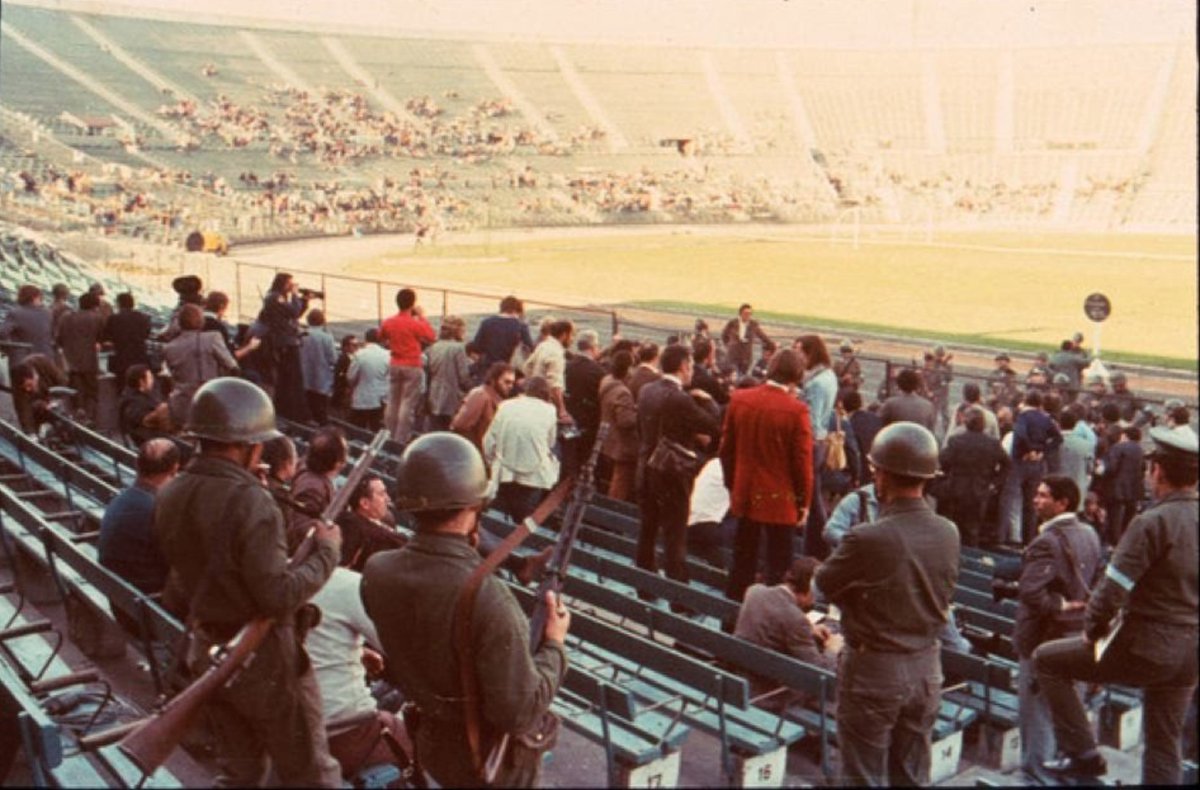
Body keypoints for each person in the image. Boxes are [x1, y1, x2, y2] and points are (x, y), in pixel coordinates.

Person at [154, 378, 343, 787]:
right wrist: (327, 551)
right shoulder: (251, 501)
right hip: (265, 661)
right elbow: (278, 596)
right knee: (311, 773)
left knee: (239, 773)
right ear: (249, 445)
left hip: (208, 649)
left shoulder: (171, 492)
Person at [360, 432, 570, 788]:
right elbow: (519, 713)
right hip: (487, 764)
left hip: (431, 745)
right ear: (474, 509)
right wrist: (554, 644)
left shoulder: (378, 570)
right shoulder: (488, 598)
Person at [1034, 426, 1198, 785]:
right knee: (1164, 743)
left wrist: (1092, 634)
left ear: (1158, 471)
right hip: (1190, 654)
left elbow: (1111, 592)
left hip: (1147, 647)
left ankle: (1083, 753)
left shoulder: (1153, 521)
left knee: (1047, 661)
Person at [815, 422, 959, 786]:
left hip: (875, 667)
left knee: (863, 775)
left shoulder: (868, 536)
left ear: (881, 475)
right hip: (927, 666)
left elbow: (824, 584)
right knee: (911, 776)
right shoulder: (948, 531)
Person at [1014, 475, 1104, 785]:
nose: (1035, 500)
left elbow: (1030, 592)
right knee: (1067, 718)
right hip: (1076, 640)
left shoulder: (1046, 541)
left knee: (1037, 722)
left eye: (1043, 495)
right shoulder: (1090, 533)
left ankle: (1038, 778)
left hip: (1044, 640)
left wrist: (1059, 605)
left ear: (1062, 502)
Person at [720, 349, 813, 603]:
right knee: (777, 568)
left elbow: (725, 451)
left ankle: (731, 621)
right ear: (796, 375)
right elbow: (802, 463)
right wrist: (804, 502)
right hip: (779, 501)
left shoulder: (740, 399)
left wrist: (733, 486)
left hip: (746, 494)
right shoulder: (796, 411)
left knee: (742, 563)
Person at [306, 564, 410, 782]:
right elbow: (401, 649)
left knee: (388, 701)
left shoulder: (269, 578)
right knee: (423, 742)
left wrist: (359, 650)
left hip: (279, 726)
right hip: (339, 729)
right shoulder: (347, 583)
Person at [636, 344, 720, 594]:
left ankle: (644, 585)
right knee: (674, 534)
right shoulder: (680, 398)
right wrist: (709, 401)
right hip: (671, 473)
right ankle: (678, 595)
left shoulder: (646, 390)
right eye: (691, 366)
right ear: (684, 366)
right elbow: (712, 425)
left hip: (646, 467)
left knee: (648, 528)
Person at [734, 557, 842, 709]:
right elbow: (819, 674)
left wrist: (809, 627)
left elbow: (776, 617)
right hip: (772, 694)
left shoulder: (754, 591)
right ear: (810, 590)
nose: (814, 602)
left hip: (744, 681)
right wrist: (832, 649)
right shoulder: (796, 619)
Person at [97, 438, 180, 634]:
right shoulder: (158, 510)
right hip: (149, 615)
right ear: (175, 470)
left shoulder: (121, 499)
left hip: (124, 606)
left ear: (138, 465)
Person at [483, 376, 559, 524]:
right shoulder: (550, 411)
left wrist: (492, 463)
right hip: (533, 475)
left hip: (504, 472)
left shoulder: (506, 405)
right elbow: (550, 443)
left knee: (494, 515)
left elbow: (489, 440)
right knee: (523, 519)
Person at [938, 407, 1009, 547]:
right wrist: (995, 483)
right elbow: (1007, 465)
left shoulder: (956, 441)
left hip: (957, 490)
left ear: (966, 422)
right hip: (980, 490)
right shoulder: (992, 443)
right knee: (973, 529)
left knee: (954, 527)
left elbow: (944, 460)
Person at [162, 304, 238, 429]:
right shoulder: (213, 338)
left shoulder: (169, 348)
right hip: (208, 403)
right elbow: (232, 366)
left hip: (181, 406)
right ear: (201, 321)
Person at [795, 334, 838, 558]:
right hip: (819, 443)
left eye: (800, 352)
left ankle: (819, 548)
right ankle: (818, 547)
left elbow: (809, 421)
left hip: (812, 444)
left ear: (810, 352)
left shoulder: (816, 382)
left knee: (811, 501)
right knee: (813, 498)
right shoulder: (827, 376)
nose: (798, 357)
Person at [1003, 389, 1063, 545]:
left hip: (1020, 461)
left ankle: (1009, 538)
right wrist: (1041, 451)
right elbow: (1058, 438)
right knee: (1032, 502)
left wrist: (1030, 449)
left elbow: (1021, 434)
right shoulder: (1045, 418)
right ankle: (1028, 538)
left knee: (1012, 500)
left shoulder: (1023, 416)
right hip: (1037, 463)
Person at [379, 288, 435, 445]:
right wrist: (422, 317)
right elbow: (431, 336)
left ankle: (389, 434)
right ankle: (400, 439)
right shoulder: (414, 323)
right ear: (412, 304)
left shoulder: (389, 322)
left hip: (395, 363)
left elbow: (381, 336)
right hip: (411, 364)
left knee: (393, 401)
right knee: (407, 403)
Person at [257, 272, 312, 419]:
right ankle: (291, 411)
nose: (291, 286)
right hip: (284, 342)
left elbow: (295, 313)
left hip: (286, 340)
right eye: (289, 284)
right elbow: (293, 312)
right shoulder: (275, 297)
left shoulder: (277, 297)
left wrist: (304, 301)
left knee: (292, 378)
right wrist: (295, 295)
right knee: (291, 378)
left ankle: (291, 409)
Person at [287, 427, 349, 551]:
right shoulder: (312, 488)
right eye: (345, 452)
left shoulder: (313, 470)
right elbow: (301, 527)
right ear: (338, 463)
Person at [336, 474, 405, 572]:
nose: (388, 499)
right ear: (365, 503)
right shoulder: (352, 527)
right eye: (382, 494)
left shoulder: (388, 521)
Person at [57, 290, 106, 423]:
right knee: (91, 391)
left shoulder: (66, 317)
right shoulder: (97, 318)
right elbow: (101, 338)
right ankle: (90, 419)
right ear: (95, 305)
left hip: (71, 361)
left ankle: (77, 415)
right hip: (89, 361)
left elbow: (58, 339)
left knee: (74, 390)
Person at [598, 351, 639, 502]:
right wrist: (638, 411)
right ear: (627, 369)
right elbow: (626, 421)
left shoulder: (607, 380)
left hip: (609, 440)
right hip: (622, 445)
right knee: (620, 483)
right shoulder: (623, 393)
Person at [1096, 425, 1144, 546]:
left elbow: (1111, 467)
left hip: (1116, 489)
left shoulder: (1118, 447)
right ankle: (1125, 543)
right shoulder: (1140, 450)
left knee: (1114, 519)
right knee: (1127, 520)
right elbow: (1143, 469)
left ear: (1125, 435)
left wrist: (1100, 470)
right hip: (1133, 490)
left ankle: (1113, 544)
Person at [452, 362, 515, 451]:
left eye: (512, 383)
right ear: (493, 380)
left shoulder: (499, 400)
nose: (510, 386)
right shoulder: (481, 395)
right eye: (507, 382)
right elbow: (460, 425)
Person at [425, 315, 472, 431]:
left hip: (434, 396)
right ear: (458, 331)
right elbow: (463, 377)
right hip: (452, 399)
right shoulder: (458, 348)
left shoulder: (432, 347)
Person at [523, 319, 574, 424]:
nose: (572, 340)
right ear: (564, 335)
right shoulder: (556, 353)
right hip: (546, 401)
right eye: (572, 335)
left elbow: (527, 367)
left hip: (532, 396)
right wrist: (562, 410)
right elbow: (554, 385)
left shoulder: (543, 345)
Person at [8, 354, 67, 435]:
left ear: (35, 377)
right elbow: (23, 410)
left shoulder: (43, 364)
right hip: (38, 407)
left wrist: (54, 401)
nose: (27, 389)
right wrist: (31, 434)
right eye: (24, 387)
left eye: (29, 385)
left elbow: (63, 384)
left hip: (56, 400)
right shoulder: (18, 383)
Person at [102, 292, 152, 388]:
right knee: (140, 385)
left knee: (122, 386)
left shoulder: (114, 319)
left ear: (119, 304)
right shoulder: (143, 318)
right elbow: (146, 334)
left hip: (122, 356)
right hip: (140, 356)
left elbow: (107, 337)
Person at [472, 295, 534, 371]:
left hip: (489, 368)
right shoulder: (520, 326)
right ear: (516, 310)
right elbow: (530, 348)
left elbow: (476, 347)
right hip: (510, 369)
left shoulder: (486, 323)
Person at [0, 284, 55, 370]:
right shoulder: (48, 314)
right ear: (35, 298)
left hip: (21, 359)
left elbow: (2, 333)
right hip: (45, 358)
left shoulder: (15, 313)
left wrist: (9, 348)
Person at [118, 364, 174, 445]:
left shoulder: (141, 394)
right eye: (150, 378)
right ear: (141, 381)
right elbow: (147, 421)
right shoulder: (133, 403)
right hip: (150, 441)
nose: (153, 380)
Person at [300, 309, 338, 425]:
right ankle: (322, 423)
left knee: (308, 401)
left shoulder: (302, 335)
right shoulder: (326, 337)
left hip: (305, 374)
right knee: (321, 405)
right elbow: (333, 358)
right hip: (322, 376)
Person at [347, 329, 390, 431]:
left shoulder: (359, 355)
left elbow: (350, 377)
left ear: (366, 339)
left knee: (358, 429)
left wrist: (353, 387)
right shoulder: (387, 355)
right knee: (376, 428)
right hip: (379, 399)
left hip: (361, 398)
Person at [720, 303, 771, 377]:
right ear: (740, 313)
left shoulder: (753, 324)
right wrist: (729, 346)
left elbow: (762, 336)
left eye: (750, 314)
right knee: (732, 375)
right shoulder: (733, 323)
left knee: (742, 377)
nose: (748, 316)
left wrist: (771, 344)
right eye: (746, 313)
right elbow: (724, 335)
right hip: (733, 355)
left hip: (746, 357)